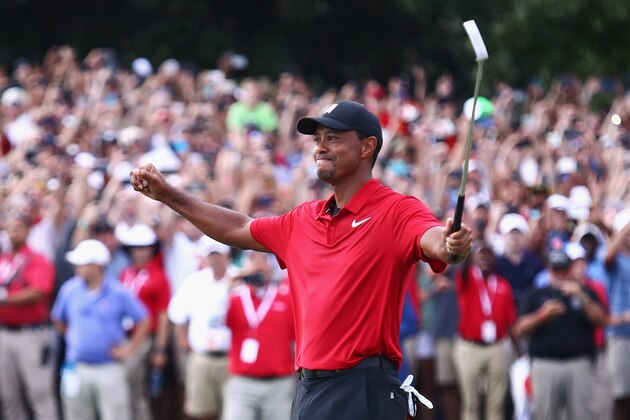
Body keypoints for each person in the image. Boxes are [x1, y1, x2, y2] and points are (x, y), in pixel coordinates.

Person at [130, 100, 473, 419]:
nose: (320, 147)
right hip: (309, 387)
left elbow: (435, 241)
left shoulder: (397, 209)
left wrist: (449, 244)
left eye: (333, 138)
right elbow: (239, 227)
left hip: (364, 387)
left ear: (367, 147)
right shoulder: (304, 219)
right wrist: (167, 195)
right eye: (318, 139)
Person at [51, 239, 150, 420]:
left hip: (109, 368)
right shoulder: (69, 289)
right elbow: (58, 319)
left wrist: (129, 349)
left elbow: (143, 319)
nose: (76, 267)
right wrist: (74, 338)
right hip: (76, 367)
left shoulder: (117, 291)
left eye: (82, 264)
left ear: (96, 266)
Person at [514, 248, 608, 420]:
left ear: (570, 269)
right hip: (545, 364)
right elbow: (519, 328)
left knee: (582, 414)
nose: (560, 274)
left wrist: (581, 296)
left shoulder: (585, 292)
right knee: (546, 414)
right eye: (556, 269)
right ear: (549, 270)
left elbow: (601, 319)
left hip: (579, 363)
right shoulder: (536, 294)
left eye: (564, 269)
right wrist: (542, 315)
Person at [167, 236, 238, 420]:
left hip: (232, 358)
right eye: (211, 255)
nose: (215, 259)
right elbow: (177, 314)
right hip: (201, 356)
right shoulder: (195, 281)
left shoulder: (239, 278)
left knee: (234, 412)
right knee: (200, 412)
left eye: (219, 255)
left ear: (227, 254)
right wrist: (183, 341)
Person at [222, 250, 296, 420]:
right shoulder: (235, 298)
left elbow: (297, 339)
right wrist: (230, 284)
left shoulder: (286, 297)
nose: (259, 265)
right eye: (253, 260)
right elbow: (214, 321)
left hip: (279, 384)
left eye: (263, 260)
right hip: (242, 383)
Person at [0, 211, 59, 420]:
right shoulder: (4, 258)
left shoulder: (37, 258)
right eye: (10, 228)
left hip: (31, 333)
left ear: (27, 231)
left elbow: (39, 291)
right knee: (9, 396)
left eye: (18, 227)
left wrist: (5, 298)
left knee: (40, 394)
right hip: (5, 332)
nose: (13, 232)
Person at [452, 241, 517, 420]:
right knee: (470, 403)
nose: (484, 258)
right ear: (473, 257)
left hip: (496, 346)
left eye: (488, 254)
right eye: (481, 254)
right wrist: (467, 249)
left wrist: (519, 351)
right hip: (469, 347)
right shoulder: (467, 279)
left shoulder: (503, 285)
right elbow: (462, 269)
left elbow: (510, 322)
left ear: (494, 258)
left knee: (496, 403)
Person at [117, 224, 171, 420]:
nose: (139, 252)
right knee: (125, 387)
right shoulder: (126, 272)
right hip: (124, 336)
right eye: (136, 247)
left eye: (144, 247)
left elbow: (163, 316)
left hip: (146, 337)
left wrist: (160, 348)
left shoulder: (158, 276)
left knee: (136, 388)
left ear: (151, 249)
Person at [604, 209, 630, 420]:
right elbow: (608, 255)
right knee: (619, 395)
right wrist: (623, 229)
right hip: (619, 333)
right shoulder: (615, 259)